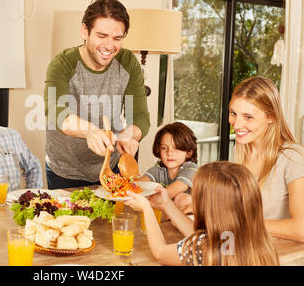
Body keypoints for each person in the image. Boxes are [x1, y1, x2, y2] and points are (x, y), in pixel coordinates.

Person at [44, 0, 150, 189]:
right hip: (66, 170)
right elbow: (56, 112)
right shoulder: (62, 63)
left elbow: (141, 116)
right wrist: (89, 131)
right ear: (85, 31)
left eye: (117, 38)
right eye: (102, 36)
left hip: (112, 166)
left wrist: (130, 134)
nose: (110, 46)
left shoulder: (128, 63)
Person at [125, 161, 279, 266]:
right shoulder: (259, 240)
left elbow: (160, 253)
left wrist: (146, 209)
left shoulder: (204, 248)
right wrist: (167, 204)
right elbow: (203, 237)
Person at [229, 76, 304, 242]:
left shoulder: (293, 157)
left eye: (248, 117)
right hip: (245, 248)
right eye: (233, 113)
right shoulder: (240, 150)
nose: (237, 124)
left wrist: (244, 223)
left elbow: (301, 229)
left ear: (271, 117)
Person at [138, 122, 198, 215]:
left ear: (189, 152)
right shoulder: (159, 169)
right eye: (164, 148)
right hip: (170, 216)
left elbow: (169, 192)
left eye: (176, 148)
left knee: (181, 199)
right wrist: (134, 185)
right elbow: (139, 185)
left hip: (193, 220)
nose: (169, 153)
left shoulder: (191, 169)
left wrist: (147, 200)